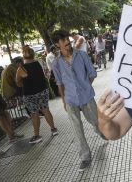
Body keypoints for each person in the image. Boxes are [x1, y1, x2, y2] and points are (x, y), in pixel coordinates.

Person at [51, 29, 106, 172]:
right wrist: (64, 101)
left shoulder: (81, 55)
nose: (67, 44)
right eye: (63, 42)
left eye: (68, 41)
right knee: (77, 130)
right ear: (57, 45)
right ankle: (85, 157)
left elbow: (92, 73)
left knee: (95, 120)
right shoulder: (56, 63)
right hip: (70, 99)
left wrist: (86, 86)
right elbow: (59, 83)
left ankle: (100, 132)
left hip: (86, 96)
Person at [15, 46, 58, 144]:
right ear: (33, 54)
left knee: (34, 114)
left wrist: (24, 83)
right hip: (42, 90)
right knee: (46, 109)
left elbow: (17, 82)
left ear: (23, 56)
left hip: (30, 94)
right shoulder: (39, 62)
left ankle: (37, 136)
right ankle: (53, 129)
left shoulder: (21, 69)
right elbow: (46, 74)